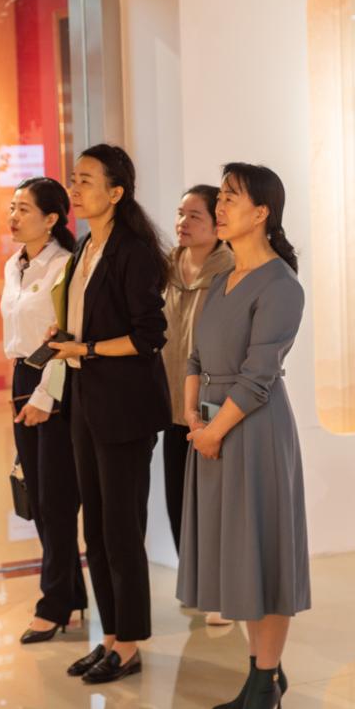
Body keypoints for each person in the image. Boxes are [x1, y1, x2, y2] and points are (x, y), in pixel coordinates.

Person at [176, 162, 310, 709]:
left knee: (265, 557)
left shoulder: (281, 286)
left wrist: (212, 430)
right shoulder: (222, 277)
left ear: (262, 213)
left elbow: (258, 378)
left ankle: (266, 678)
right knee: (240, 557)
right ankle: (261, 674)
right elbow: (195, 355)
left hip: (252, 431)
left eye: (231, 197)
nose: (221, 206)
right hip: (211, 426)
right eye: (221, 197)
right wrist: (191, 413)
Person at [48, 144, 172, 684]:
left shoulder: (132, 251)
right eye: (73, 179)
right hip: (85, 398)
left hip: (125, 406)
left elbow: (149, 336)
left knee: (122, 531)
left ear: (116, 192)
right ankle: (110, 635)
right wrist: (66, 338)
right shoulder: (84, 247)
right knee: (94, 529)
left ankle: (130, 642)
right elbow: (90, 317)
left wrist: (88, 348)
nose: (74, 189)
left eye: (86, 181)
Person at [0, 177, 87, 644]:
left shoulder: (64, 265)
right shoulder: (13, 265)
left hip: (53, 381)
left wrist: (43, 397)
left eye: (24, 209)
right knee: (37, 495)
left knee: (56, 500)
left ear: (51, 219)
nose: (13, 216)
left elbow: (64, 337)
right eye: (12, 207)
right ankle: (72, 594)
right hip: (22, 378)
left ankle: (53, 604)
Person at [161, 185, 233, 568]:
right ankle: (192, 581)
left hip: (213, 409)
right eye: (180, 214)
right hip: (173, 406)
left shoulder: (230, 268)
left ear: (216, 223)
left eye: (194, 216)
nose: (183, 223)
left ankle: (216, 584)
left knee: (212, 505)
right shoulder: (167, 265)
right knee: (178, 502)